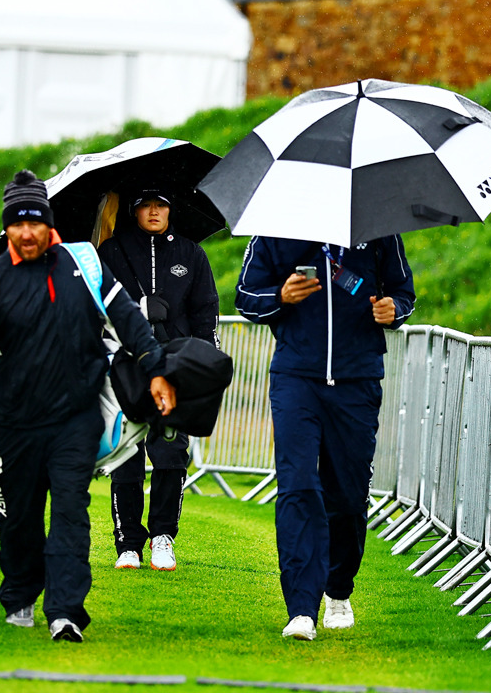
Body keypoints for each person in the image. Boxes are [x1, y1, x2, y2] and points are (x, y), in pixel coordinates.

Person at [0, 170, 177, 643]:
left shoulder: (83, 265)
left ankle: (66, 611)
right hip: (14, 422)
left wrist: (155, 368)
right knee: (19, 517)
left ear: (48, 224)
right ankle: (20, 595)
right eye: (17, 224)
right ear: (7, 228)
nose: (26, 233)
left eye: (35, 223)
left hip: (76, 417)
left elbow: (129, 321)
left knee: (71, 511)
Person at [235, 236, 415, 641]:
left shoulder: (379, 228)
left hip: (358, 379)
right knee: (297, 486)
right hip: (296, 377)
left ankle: (338, 591)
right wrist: (280, 297)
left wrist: (394, 310)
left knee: (348, 497)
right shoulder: (275, 226)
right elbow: (245, 296)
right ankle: (301, 608)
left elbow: (404, 293)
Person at [97, 188, 219, 572]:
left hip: (175, 365)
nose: (154, 211)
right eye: (146, 205)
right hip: (125, 363)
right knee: (127, 453)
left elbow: (205, 312)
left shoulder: (191, 253)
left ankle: (163, 537)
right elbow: (96, 305)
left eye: (161, 204)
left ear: (170, 209)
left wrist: (203, 364)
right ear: (134, 211)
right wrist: (137, 309)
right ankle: (128, 543)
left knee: (170, 450)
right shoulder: (111, 251)